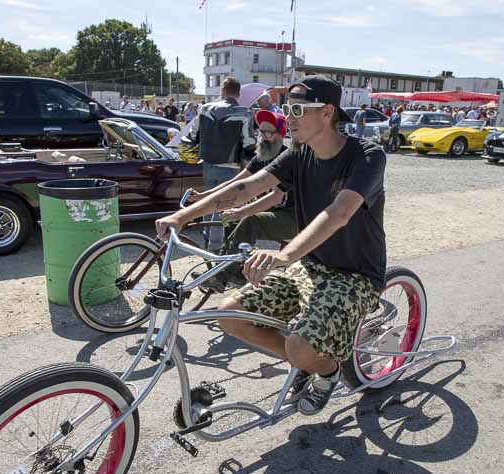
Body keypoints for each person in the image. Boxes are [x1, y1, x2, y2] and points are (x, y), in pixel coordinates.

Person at [156, 75, 386, 415]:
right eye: (286, 108)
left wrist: (284, 254)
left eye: (296, 109)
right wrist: (184, 216)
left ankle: (326, 370)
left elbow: (339, 213)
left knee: (300, 344)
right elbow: (248, 187)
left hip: (355, 275)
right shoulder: (298, 154)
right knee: (229, 314)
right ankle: (305, 361)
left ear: (326, 112)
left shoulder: (366, 156)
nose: (287, 117)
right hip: (309, 267)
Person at [188, 109, 296, 290]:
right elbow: (236, 182)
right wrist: (202, 196)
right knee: (229, 217)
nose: (263, 136)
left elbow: (275, 198)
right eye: (260, 132)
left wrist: (242, 211)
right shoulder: (261, 156)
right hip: (274, 210)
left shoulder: (286, 158)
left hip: (294, 217)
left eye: (269, 132)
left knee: (249, 220)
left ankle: (222, 276)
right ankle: (230, 271)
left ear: (280, 135)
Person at [184, 76, 255, 250]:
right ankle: (218, 249)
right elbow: (249, 144)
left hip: (208, 164)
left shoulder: (205, 109)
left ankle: (209, 244)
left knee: (208, 202)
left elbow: (192, 135)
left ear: (222, 91)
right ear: (238, 93)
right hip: (231, 168)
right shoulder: (244, 113)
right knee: (224, 207)